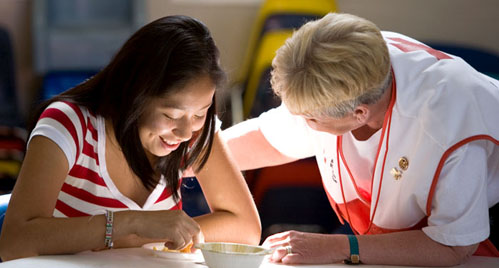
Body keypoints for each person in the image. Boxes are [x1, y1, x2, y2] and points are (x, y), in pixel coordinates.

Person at [222, 12, 499, 266]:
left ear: (359, 114)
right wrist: (191, 155)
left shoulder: (450, 125)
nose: (303, 124)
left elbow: (453, 246)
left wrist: (343, 246)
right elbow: (269, 137)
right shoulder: (350, 66)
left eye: (311, 119)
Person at [0, 15, 261, 261]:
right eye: (170, 115)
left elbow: (245, 227)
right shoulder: (70, 123)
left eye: (200, 113)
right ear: (133, 93)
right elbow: (15, 241)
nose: (184, 133)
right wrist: (131, 223)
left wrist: (144, 235)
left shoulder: (193, 131)